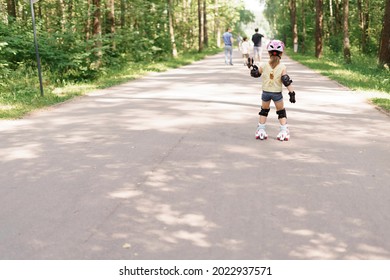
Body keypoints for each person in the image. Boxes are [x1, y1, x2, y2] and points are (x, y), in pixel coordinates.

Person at [248, 40, 296, 141]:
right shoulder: (282, 67)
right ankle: (283, 131)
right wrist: (292, 93)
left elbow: (256, 74)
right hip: (277, 94)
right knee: (281, 112)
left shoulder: (264, 65)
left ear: (268, 53)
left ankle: (261, 130)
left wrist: (252, 68)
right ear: (281, 53)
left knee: (264, 111)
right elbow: (286, 81)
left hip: (265, 93)